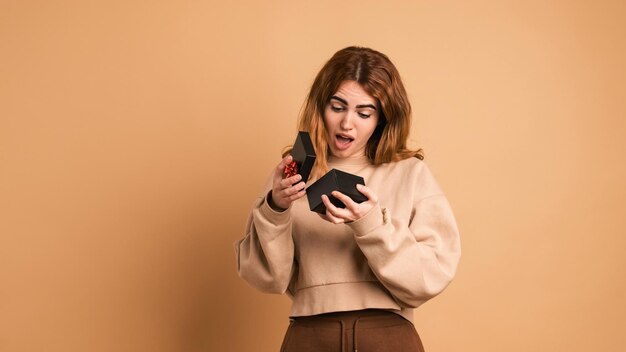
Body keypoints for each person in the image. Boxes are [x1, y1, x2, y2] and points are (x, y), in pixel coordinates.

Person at [235, 46, 461, 352]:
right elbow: (266, 277)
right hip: (309, 335)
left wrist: (370, 224)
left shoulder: (410, 173)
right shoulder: (292, 172)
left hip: (388, 336)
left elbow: (430, 277)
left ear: (382, 118)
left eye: (364, 113)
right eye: (337, 107)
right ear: (320, 106)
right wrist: (275, 208)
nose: (347, 123)